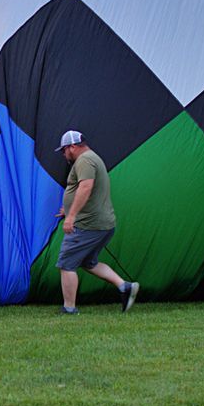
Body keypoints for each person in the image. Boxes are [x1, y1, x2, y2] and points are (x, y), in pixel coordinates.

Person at [53, 129, 140, 314]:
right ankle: (125, 287)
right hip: (100, 224)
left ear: (73, 147)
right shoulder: (91, 158)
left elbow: (85, 188)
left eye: (64, 150)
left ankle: (69, 308)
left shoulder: (84, 161)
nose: (63, 154)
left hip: (87, 225)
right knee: (88, 262)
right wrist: (68, 210)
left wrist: (71, 216)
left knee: (66, 263)